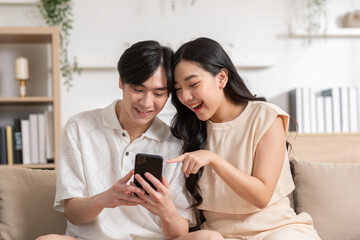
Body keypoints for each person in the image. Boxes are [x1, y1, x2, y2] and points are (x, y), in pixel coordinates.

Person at [37, 40, 199, 240]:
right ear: (121, 81)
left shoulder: (175, 143)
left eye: (158, 93)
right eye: (138, 90)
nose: (147, 103)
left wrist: (166, 210)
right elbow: (73, 214)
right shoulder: (79, 127)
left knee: (210, 238)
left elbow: (180, 233)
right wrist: (103, 199)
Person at [167, 37, 321, 240]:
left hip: (278, 231)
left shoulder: (266, 117)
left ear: (221, 78)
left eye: (193, 84)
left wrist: (213, 159)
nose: (185, 97)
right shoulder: (189, 131)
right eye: (178, 89)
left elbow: (261, 195)